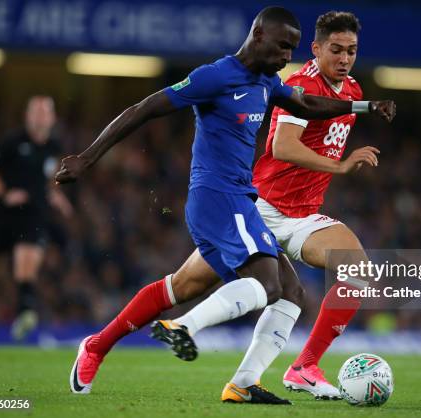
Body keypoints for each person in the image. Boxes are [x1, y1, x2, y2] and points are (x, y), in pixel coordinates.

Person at [58, 7, 394, 403]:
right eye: (283, 46)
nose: (287, 56)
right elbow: (144, 109)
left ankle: (103, 347)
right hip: (221, 199)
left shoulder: (268, 81)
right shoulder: (215, 76)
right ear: (258, 36)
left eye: (291, 49)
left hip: (244, 203)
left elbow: (307, 105)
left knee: (264, 290)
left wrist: (366, 106)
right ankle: (183, 327)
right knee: (267, 284)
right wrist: (88, 156)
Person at [0, 96, 73, 340]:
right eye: (36, 112)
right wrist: (5, 193)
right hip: (3, 214)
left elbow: (49, 178)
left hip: (33, 213)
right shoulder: (11, 142)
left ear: (52, 118)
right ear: (27, 116)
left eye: (45, 112)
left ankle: (26, 311)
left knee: (27, 258)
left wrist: (55, 196)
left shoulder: (54, 147)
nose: (41, 117)